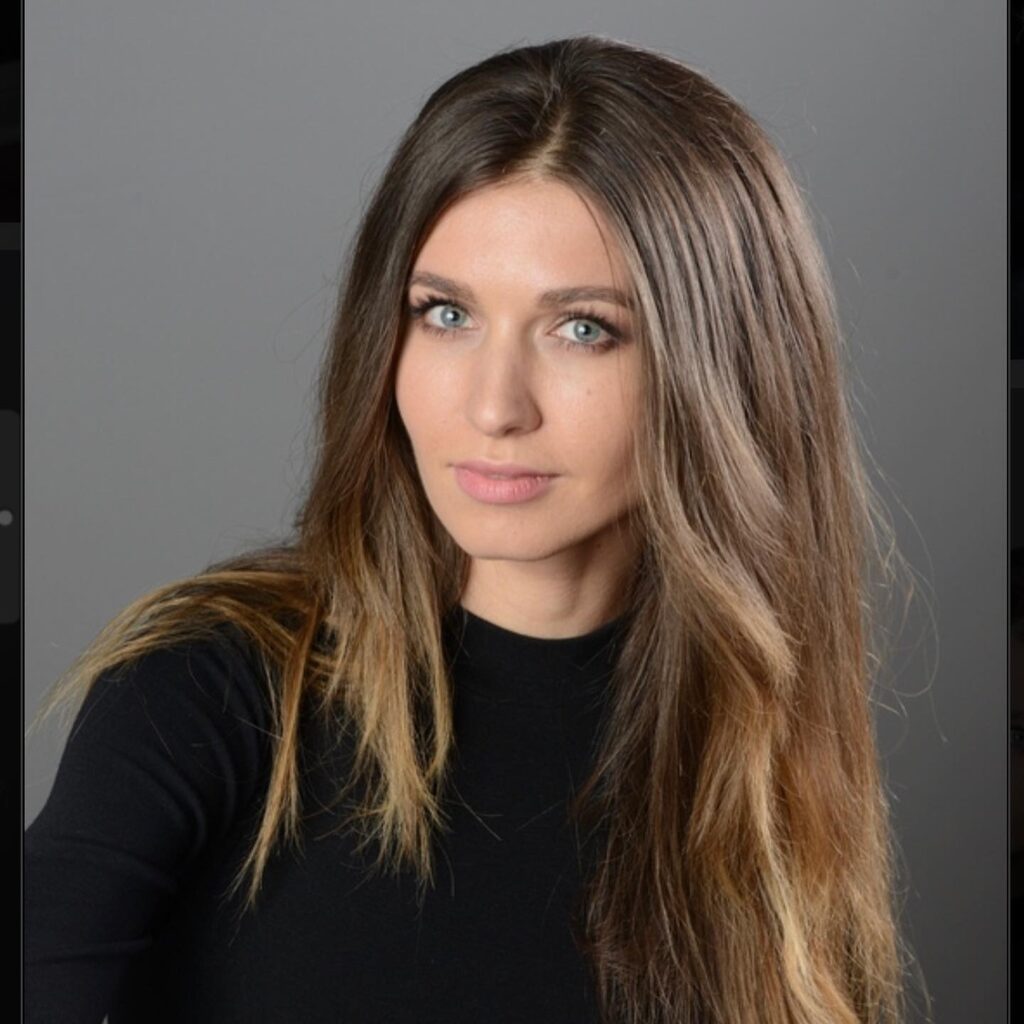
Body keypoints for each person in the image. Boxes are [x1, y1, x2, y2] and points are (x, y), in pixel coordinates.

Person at [24, 34, 926, 1024]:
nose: (494, 406)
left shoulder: (754, 754)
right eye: (445, 314)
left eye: (582, 328)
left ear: (720, 370)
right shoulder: (220, 690)